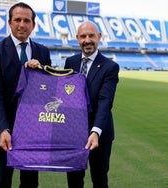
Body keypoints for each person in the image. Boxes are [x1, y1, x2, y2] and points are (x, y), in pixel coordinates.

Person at [0, 2, 51, 188]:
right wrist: (3, 128)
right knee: (2, 182)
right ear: (10, 23)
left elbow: (49, 91)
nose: (22, 24)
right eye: (17, 20)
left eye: (26, 20)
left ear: (33, 25)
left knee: (30, 183)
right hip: (3, 131)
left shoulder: (43, 52)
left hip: (32, 131)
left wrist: (42, 70)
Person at [65, 21, 120, 188]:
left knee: (99, 179)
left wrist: (95, 131)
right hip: (74, 133)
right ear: (77, 39)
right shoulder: (70, 62)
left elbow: (105, 101)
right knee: (74, 181)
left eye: (91, 36)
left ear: (99, 37)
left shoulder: (110, 67)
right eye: (83, 36)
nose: (87, 40)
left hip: (100, 134)